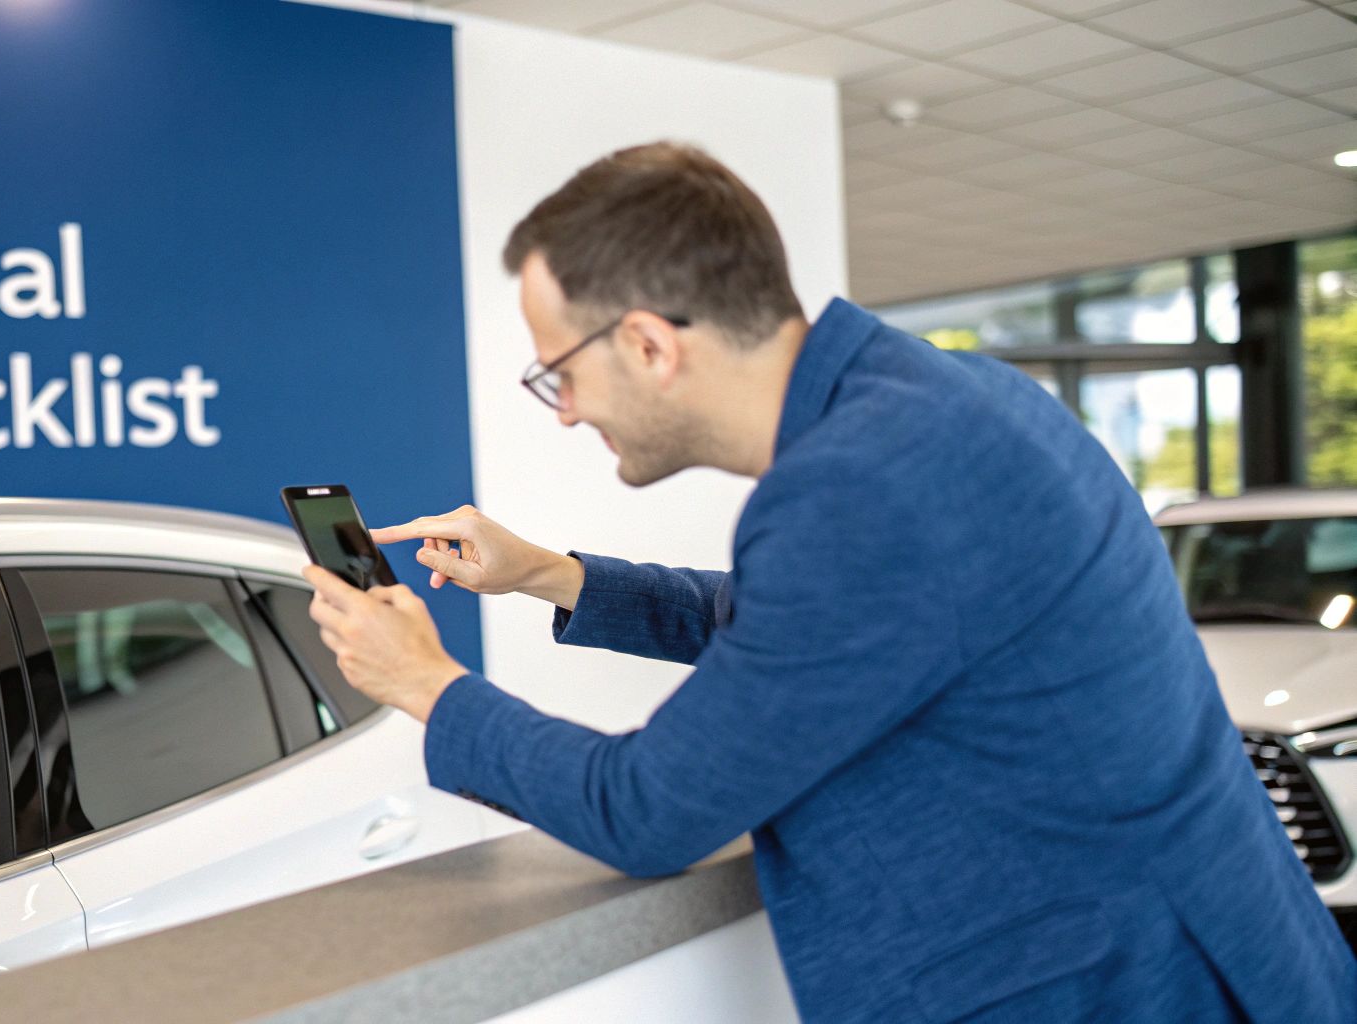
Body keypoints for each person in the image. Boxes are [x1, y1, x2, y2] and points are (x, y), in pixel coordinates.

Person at [302, 142, 1356, 1021]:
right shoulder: (929, 399)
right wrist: (546, 573)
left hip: (1114, 988)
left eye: (557, 375)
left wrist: (430, 687)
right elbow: (803, 631)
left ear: (648, 343)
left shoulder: (863, 482)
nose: (565, 411)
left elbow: (647, 809)